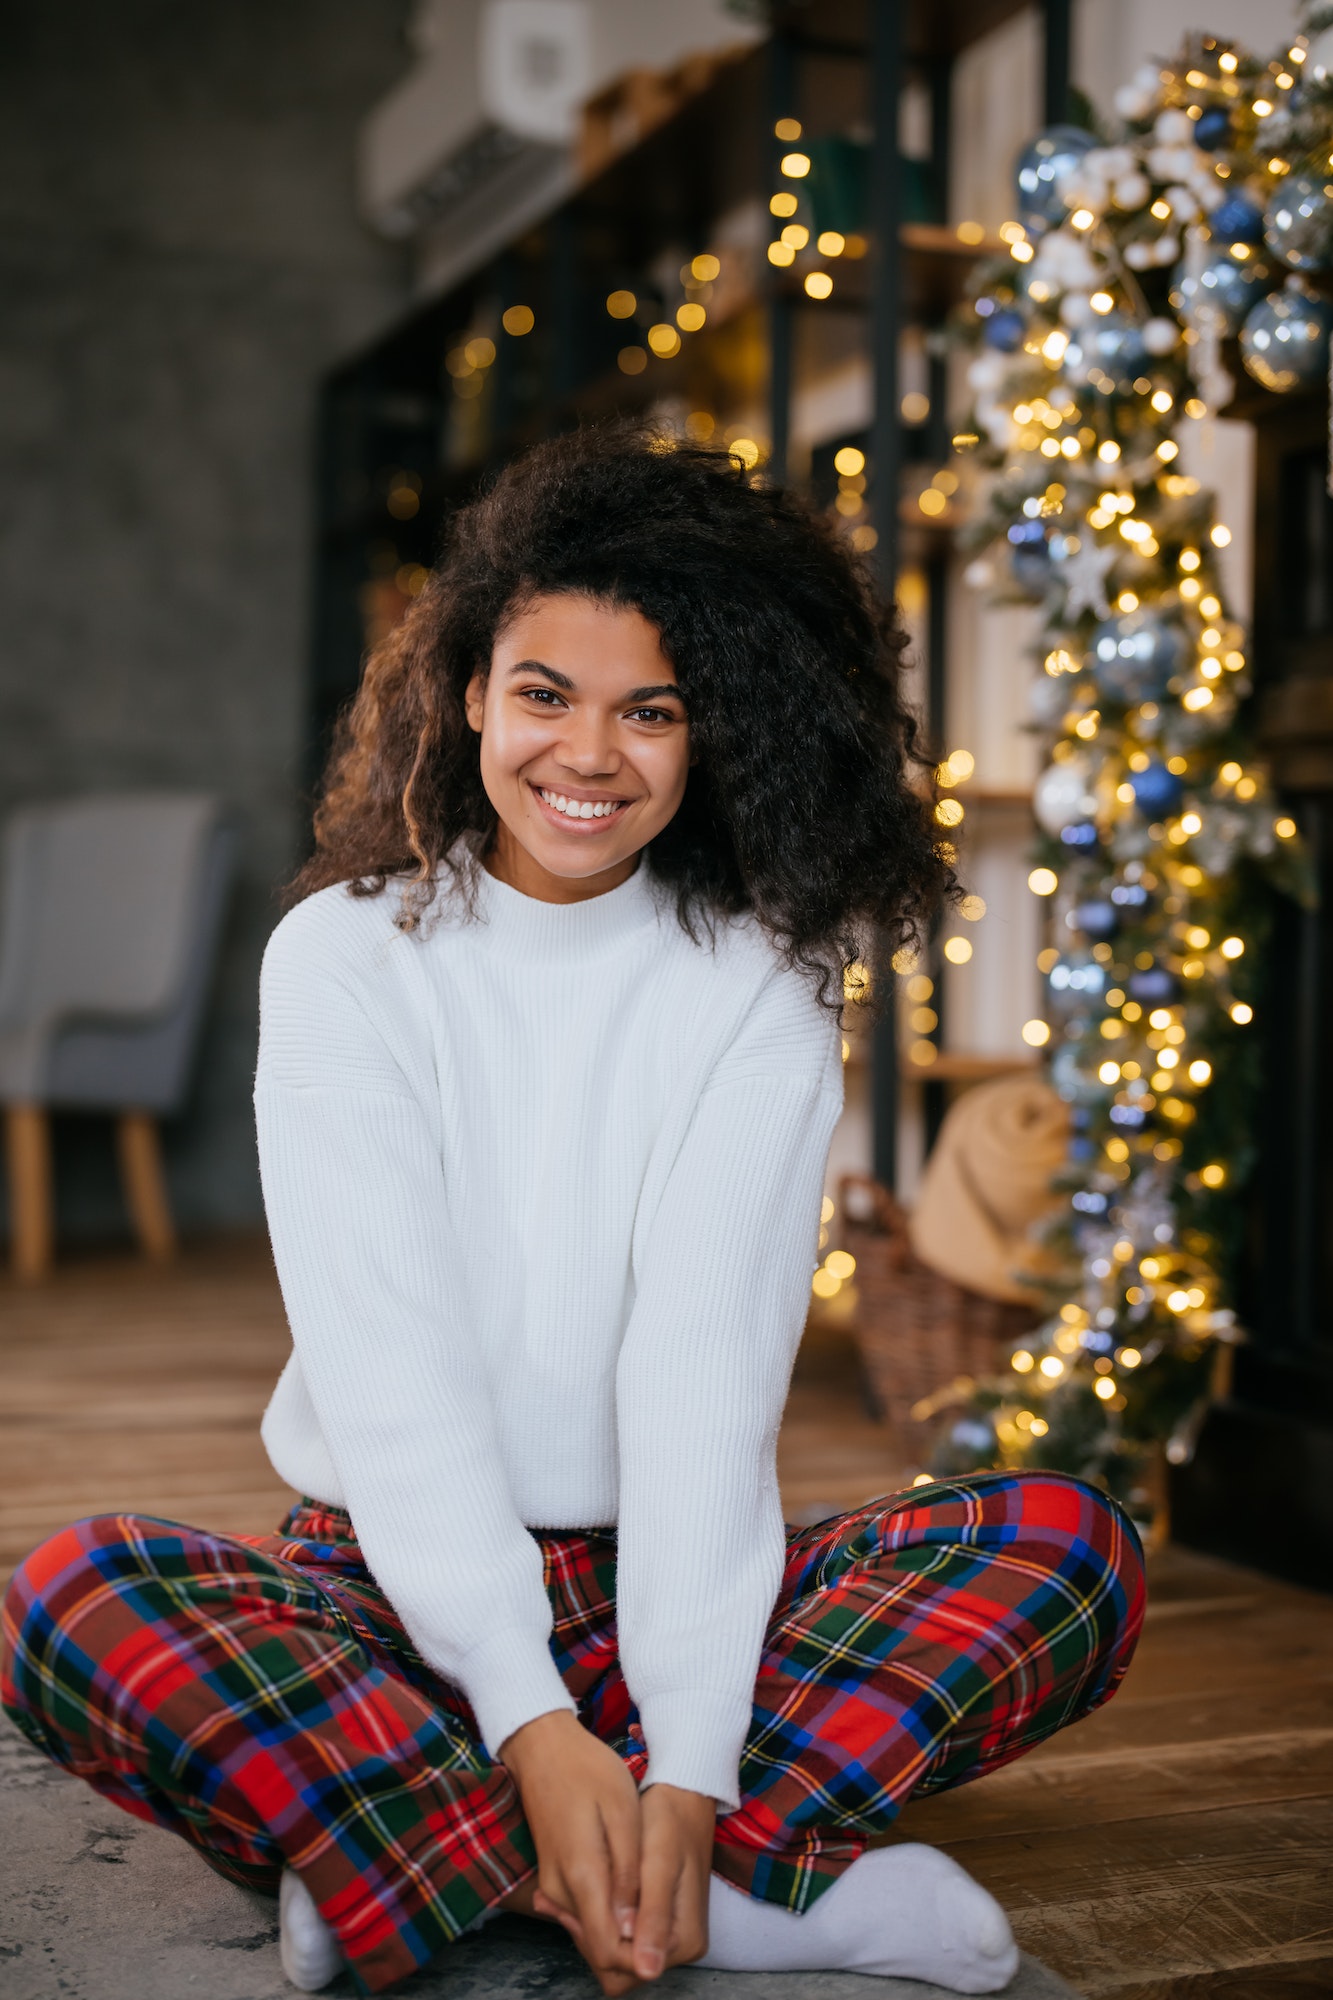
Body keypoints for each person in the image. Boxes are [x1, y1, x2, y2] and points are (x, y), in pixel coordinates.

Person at [2, 426, 1144, 1997]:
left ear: (715, 733)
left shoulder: (757, 978)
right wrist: (529, 1720)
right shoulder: (343, 956)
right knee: (77, 1601)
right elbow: (391, 1376)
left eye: (651, 712)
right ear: (470, 689)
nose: (587, 756)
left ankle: (430, 1859)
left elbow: (700, 1378)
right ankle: (709, 1882)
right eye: (544, 693)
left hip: (660, 1569)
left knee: (1065, 1547)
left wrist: (681, 1750)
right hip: (387, 1585)